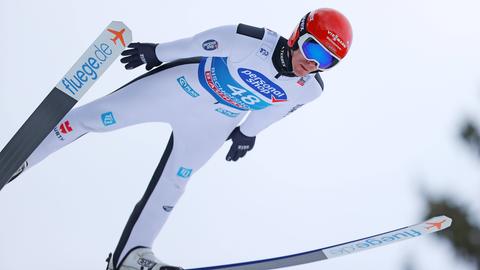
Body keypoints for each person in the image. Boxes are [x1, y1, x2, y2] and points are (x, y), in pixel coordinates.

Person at [8, 8, 353, 270]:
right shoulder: (250, 41)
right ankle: (18, 160)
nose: (312, 63)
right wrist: (155, 53)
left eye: (327, 60)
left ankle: (133, 254)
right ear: (297, 34)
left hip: (214, 122)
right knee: (91, 119)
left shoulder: (309, 90)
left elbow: (273, 111)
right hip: (178, 89)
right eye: (312, 49)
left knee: (176, 182)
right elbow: (196, 43)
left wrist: (247, 134)